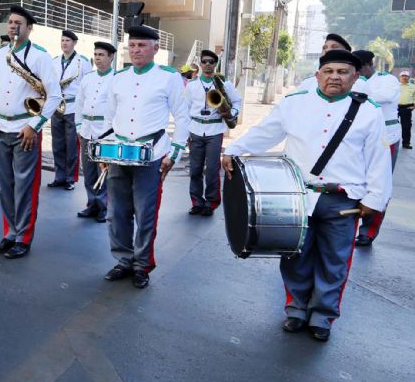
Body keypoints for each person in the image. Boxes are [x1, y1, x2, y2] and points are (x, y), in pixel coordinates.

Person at [223, 50, 392, 342]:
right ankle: (296, 309)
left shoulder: (368, 111)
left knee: (335, 260)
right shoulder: (294, 104)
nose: (335, 77)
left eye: (342, 72)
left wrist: (373, 200)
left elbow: (378, 158)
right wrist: (234, 149)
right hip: (297, 196)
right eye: (329, 71)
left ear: (354, 78)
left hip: (343, 199)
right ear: (318, 75)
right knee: (294, 255)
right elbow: (266, 132)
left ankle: (323, 316)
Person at [102, 25, 189, 288]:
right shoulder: (118, 77)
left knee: (145, 212)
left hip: (151, 154)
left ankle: (141, 265)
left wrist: (174, 152)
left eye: (141, 45)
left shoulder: (169, 77)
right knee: (116, 211)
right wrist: (105, 149)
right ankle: (123, 259)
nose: (136, 50)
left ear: (155, 48)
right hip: (119, 153)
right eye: (132, 45)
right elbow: (109, 117)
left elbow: (182, 117)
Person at [0, 6, 63, 259]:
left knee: (25, 187)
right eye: (10, 22)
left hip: (24, 130)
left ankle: (23, 237)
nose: (13, 26)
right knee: (4, 185)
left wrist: (35, 126)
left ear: (30, 28)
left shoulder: (40, 56)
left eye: (19, 22)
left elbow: (55, 96)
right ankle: (9, 233)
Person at [351, 50, 400, 246]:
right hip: (357, 138)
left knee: (380, 184)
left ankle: (368, 232)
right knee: (353, 182)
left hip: (386, 139)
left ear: (366, 66)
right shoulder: (353, 79)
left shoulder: (387, 80)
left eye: (357, 68)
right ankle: (347, 227)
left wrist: (357, 85)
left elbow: (384, 97)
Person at [185, 50, 242, 216]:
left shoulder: (224, 84)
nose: (208, 64)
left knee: (212, 170)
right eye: (205, 61)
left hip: (215, 130)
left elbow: (237, 101)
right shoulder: (192, 85)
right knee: (195, 169)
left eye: (211, 62)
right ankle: (196, 202)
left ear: (215, 64)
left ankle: (211, 203)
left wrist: (232, 113)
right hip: (195, 129)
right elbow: (185, 109)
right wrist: (186, 130)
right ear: (200, 64)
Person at [74, 41, 117, 223]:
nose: (98, 58)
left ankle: (103, 206)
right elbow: (79, 103)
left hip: (105, 133)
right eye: (96, 54)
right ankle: (92, 203)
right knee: (89, 170)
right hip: (86, 130)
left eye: (102, 55)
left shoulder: (116, 79)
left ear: (111, 57)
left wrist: (113, 133)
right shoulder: (87, 78)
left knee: (104, 171)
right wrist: (78, 126)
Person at [49, 30, 91, 190]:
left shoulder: (83, 61)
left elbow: (88, 85)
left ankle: (70, 178)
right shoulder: (54, 61)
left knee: (72, 145)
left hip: (74, 107)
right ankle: (59, 176)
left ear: (74, 43)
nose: (64, 43)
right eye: (62, 40)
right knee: (57, 144)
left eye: (67, 40)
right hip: (57, 107)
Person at [399, 71, 414, 149]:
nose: (404, 77)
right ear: (400, 77)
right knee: (390, 125)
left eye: (406, 76)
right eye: (402, 76)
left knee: (406, 127)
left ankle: (406, 143)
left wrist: (414, 106)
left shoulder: (413, 87)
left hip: (406, 108)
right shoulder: (395, 86)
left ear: (409, 77)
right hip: (395, 108)